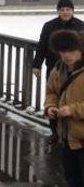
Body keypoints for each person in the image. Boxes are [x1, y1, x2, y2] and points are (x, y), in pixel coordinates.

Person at [33, 0, 84, 143]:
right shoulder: (49, 26)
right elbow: (42, 45)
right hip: (54, 68)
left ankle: (74, 134)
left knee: (74, 99)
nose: (65, 12)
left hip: (77, 70)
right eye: (62, 9)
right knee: (54, 97)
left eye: (68, 9)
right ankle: (56, 132)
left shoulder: (81, 26)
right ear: (58, 11)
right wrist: (37, 64)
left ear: (73, 10)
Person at [44, 30, 84, 187]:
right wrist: (50, 107)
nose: (67, 56)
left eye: (72, 51)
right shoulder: (58, 69)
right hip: (67, 138)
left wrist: (73, 110)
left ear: (80, 49)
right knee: (71, 178)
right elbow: (51, 92)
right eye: (63, 52)